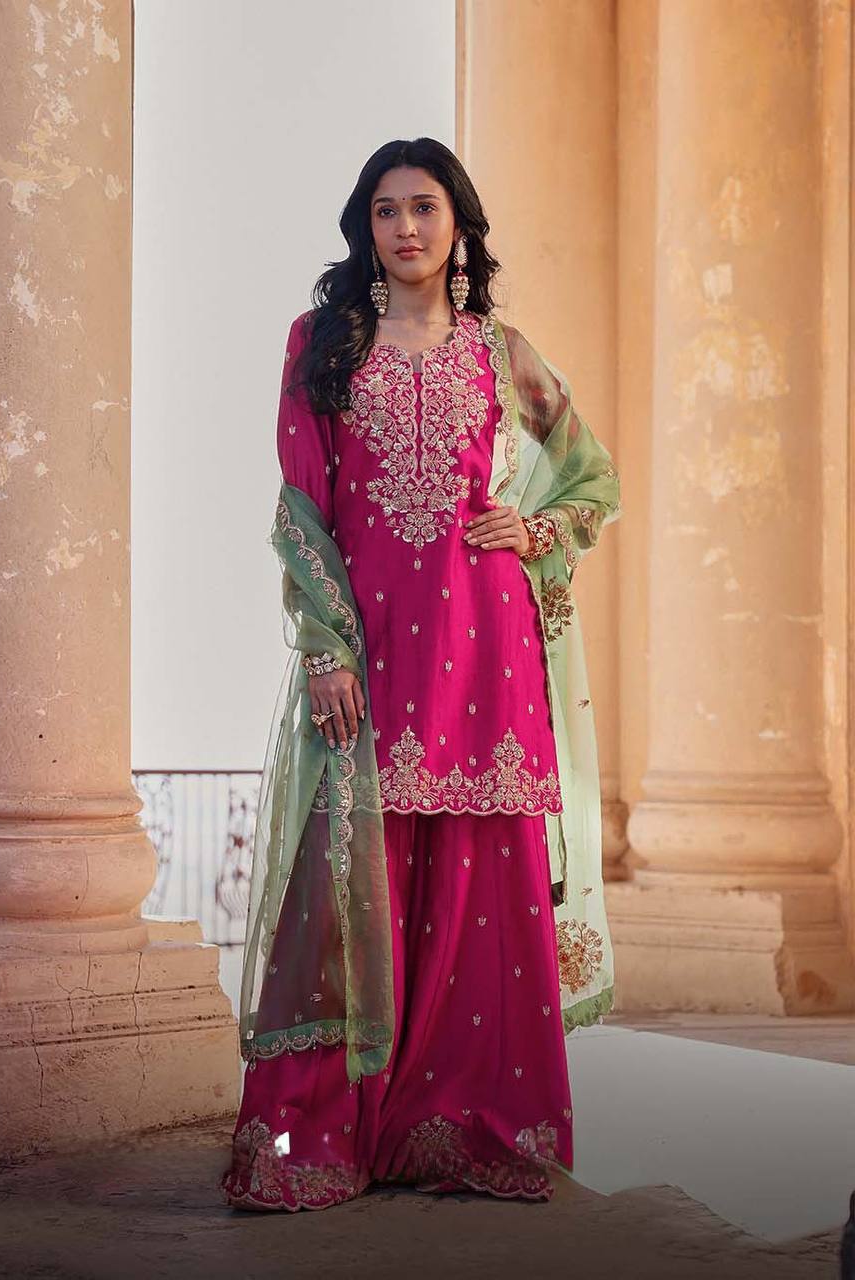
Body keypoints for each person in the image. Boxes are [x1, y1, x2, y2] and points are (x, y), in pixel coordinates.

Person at [220, 137, 621, 1211]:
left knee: (478, 884)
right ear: (365, 227)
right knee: (348, 872)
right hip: (372, 641)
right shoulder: (321, 347)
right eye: (386, 210)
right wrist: (322, 647)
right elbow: (300, 510)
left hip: (484, 641)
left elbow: (592, 472)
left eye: (425, 207)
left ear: (459, 226)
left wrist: (531, 525)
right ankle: (318, 1134)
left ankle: (460, 1126)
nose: (404, 227)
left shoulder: (500, 352)